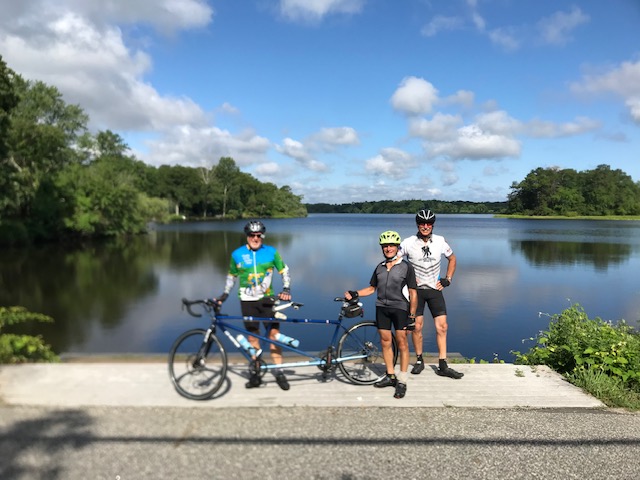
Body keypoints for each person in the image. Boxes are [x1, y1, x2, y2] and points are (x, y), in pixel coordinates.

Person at [216, 220, 292, 390]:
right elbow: (231, 276)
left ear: (262, 236)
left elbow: (284, 270)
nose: (255, 238)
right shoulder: (237, 254)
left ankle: (279, 372)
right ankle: (256, 372)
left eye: (258, 235)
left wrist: (286, 288)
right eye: (252, 235)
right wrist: (225, 294)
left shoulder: (271, 252)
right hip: (247, 301)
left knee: (273, 335)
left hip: (267, 301)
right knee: (252, 337)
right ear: (247, 236)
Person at [345, 230, 417, 399]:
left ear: (397, 247)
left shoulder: (406, 267)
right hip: (381, 308)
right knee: (385, 342)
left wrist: (412, 316)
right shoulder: (379, 267)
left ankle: (402, 380)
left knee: (402, 344)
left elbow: (413, 293)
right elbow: (372, 289)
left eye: (391, 245)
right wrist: (355, 293)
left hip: (400, 308)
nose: (388, 248)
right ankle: (390, 375)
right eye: (385, 246)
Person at [399, 209, 463, 379]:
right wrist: (405, 280)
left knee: (442, 327)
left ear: (433, 225)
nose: (425, 226)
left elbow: (452, 259)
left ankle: (443, 364)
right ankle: (419, 360)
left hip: (435, 290)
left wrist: (447, 279)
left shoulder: (440, 241)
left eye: (428, 224)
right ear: (417, 225)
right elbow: (395, 261)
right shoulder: (408, 242)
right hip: (416, 292)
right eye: (422, 223)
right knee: (417, 327)